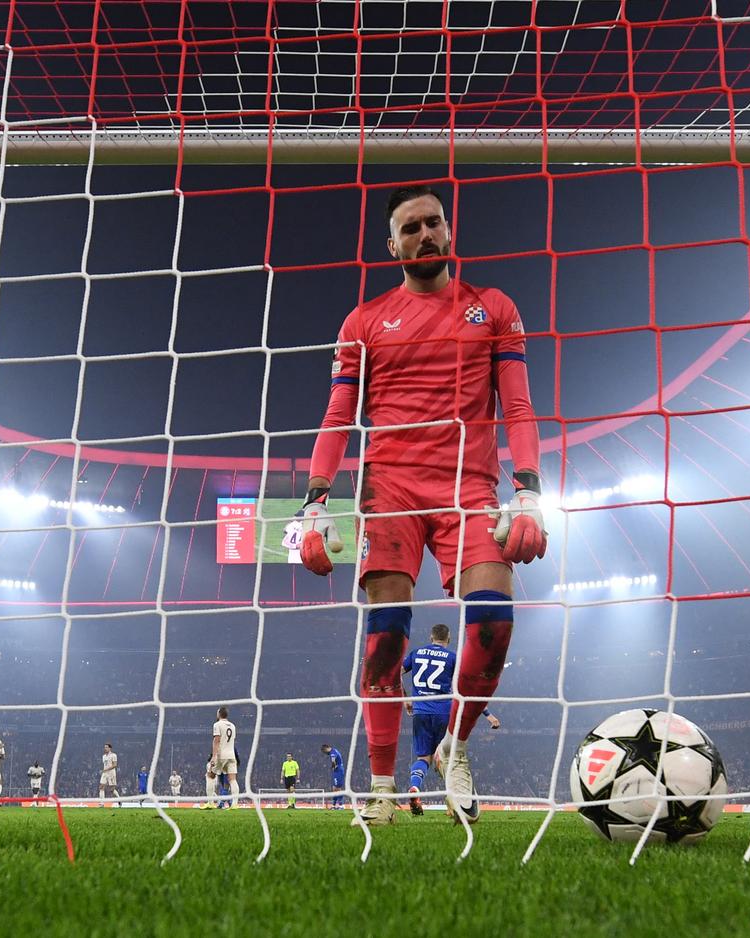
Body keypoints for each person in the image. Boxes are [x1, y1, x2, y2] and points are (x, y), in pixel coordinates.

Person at [300, 184, 547, 826]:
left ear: (449, 230)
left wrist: (529, 492)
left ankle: (455, 751)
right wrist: (315, 504)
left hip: (469, 486)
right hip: (391, 488)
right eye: (410, 228)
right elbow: (336, 415)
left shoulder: (492, 308)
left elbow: (517, 406)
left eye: (433, 223)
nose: (424, 235)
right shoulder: (363, 322)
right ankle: (381, 792)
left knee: (495, 622)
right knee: (386, 639)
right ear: (392, 245)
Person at [401, 623, 499, 816]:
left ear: (431, 638)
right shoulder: (452, 658)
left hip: (421, 712)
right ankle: (454, 803)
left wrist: (406, 700)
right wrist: (488, 715)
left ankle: (415, 787)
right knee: (448, 758)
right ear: (448, 639)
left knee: (424, 758)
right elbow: (466, 689)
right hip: (444, 712)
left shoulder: (416, 653)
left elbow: (395, 674)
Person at [211, 707, 238, 805]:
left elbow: (216, 740)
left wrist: (214, 757)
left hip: (221, 755)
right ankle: (234, 805)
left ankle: (210, 803)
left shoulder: (217, 724)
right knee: (232, 780)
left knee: (210, 776)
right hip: (231, 755)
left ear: (219, 714)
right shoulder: (233, 725)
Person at [322, 743, 346, 809]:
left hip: (339, 770)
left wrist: (333, 766)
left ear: (327, 748)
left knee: (338, 788)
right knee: (334, 788)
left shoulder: (332, 752)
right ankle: (334, 805)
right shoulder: (334, 751)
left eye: (324, 751)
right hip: (337, 770)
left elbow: (333, 761)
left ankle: (341, 805)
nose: (325, 753)